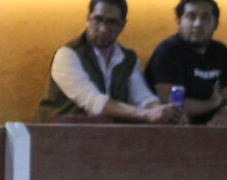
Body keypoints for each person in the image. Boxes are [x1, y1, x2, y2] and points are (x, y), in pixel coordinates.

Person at [34, 0, 182, 124]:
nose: (103, 28)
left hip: (103, 139)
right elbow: (94, 103)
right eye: (98, 19)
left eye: (111, 22)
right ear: (87, 19)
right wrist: (148, 114)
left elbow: (144, 98)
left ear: (122, 25)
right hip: (57, 137)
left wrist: (163, 111)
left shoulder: (128, 58)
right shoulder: (68, 54)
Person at [144, 0, 227, 125]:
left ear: (215, 24)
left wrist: (225, 111)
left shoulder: (220, 51)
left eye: (205, 18)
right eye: (191, 17)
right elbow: (174, 106)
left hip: (211, 129)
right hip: (171, 129)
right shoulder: (168, 51)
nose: (197, 24)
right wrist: (213, 104)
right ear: (178, 22)